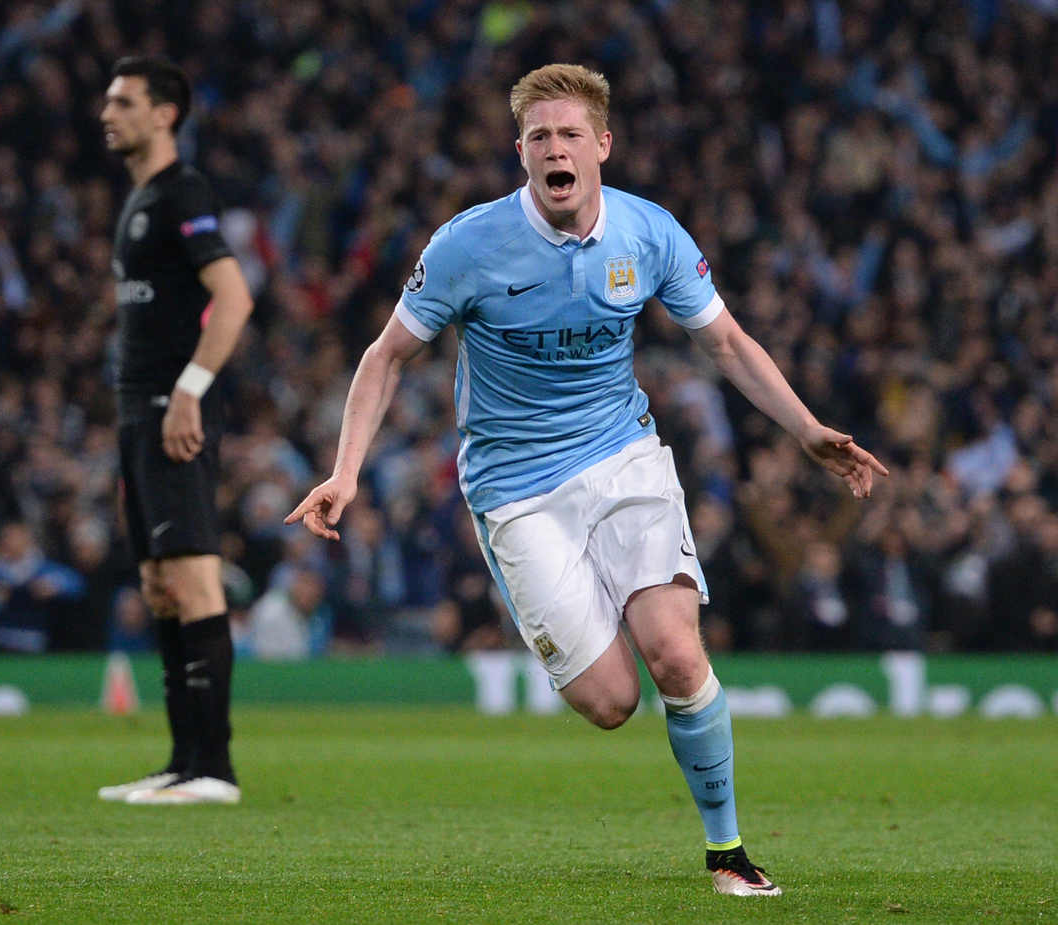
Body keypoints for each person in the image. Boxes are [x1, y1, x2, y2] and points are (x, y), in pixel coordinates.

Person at [287, 63, 888, 896]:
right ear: (521, 152)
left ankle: (729, 852)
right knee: (612, 701)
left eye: (571, 134)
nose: (555, 149)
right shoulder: (468, 244)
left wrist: (808, 428)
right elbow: (385, 355)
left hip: (620, 455)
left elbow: (727, 344)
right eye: (539, 137)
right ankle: (592, 603)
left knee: (677, 656)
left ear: (603, 145)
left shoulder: (649, 234)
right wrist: (344, 472)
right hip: (514, 488)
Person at [95, 56, 254, 806]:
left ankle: (214, 768)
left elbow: (233, 296)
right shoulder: (137, 201)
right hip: (136, 408)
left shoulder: (182, 192)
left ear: (165, 113)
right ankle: (181, 760)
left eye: (124, 101)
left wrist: (189, 389)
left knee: (192, 576)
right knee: (160, 583)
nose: (108, 112)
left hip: (168, 405)